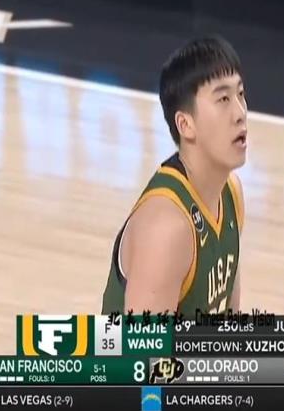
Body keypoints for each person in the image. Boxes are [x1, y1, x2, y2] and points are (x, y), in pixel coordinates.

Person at [102, 36, 246, 317]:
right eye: (223, 99)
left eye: (241, 94)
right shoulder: (166, 228)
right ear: (185, 124)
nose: (240, 113)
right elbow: (142, 345)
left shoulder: (231, 193)